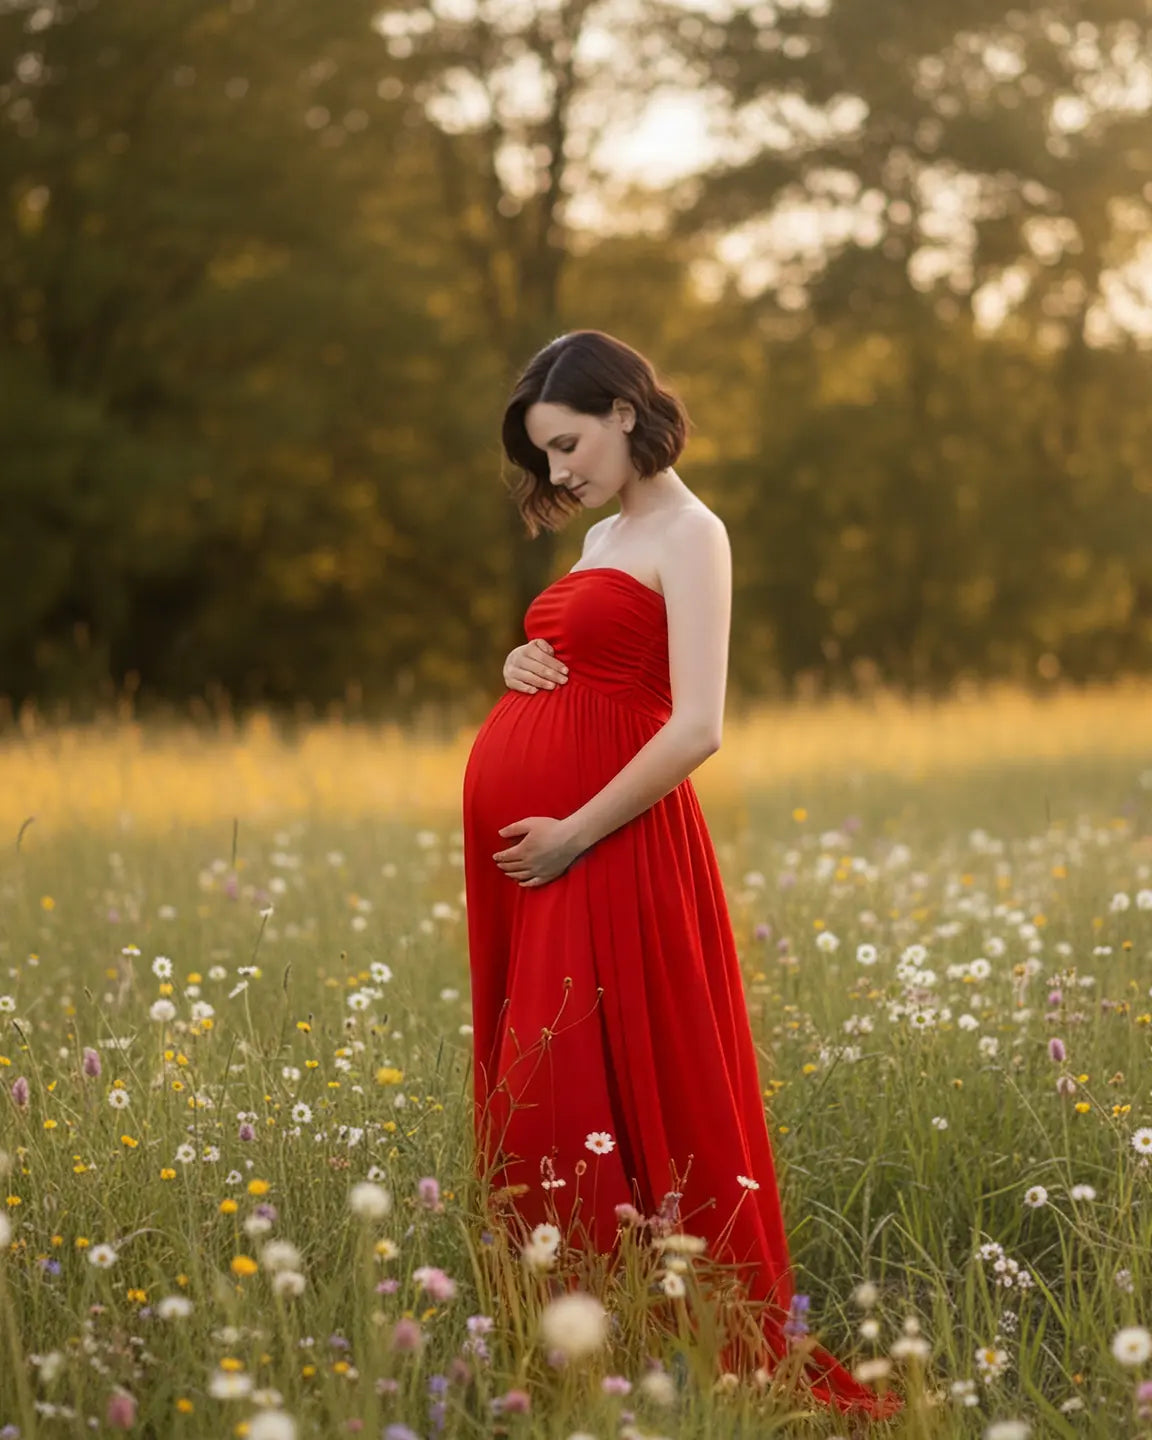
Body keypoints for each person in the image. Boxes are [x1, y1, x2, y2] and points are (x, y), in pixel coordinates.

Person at [462, 330, 899, 1422]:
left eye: (566, 444)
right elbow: (599, 669)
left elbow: (696, 724)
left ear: (621, 410)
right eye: (542, 456)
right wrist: (523, 667)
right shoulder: (609, 533)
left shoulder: (693, 534)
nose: (557, 473)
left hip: (614, 846)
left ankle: (664, 1358)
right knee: (540, 1099)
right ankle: (574, 1362)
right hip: (551, 857)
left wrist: (572, 833)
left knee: (582, 1091)